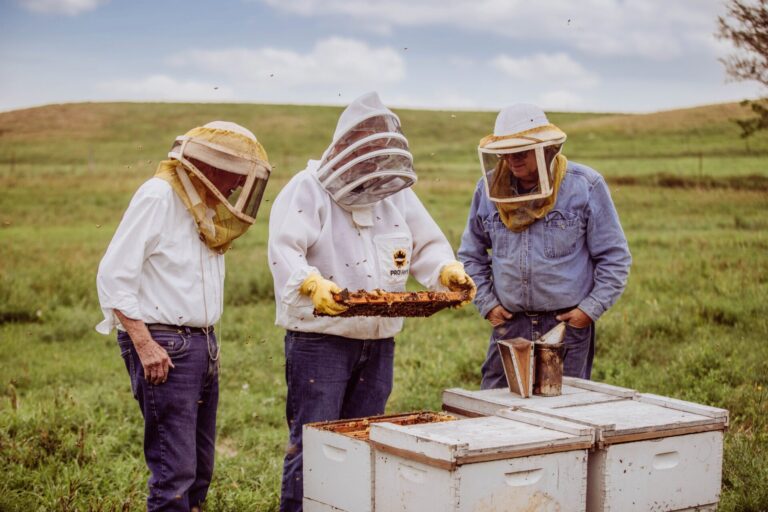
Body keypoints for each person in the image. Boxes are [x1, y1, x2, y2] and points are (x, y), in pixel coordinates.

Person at [268, 91, 476, 512]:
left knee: (365, 441)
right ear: (345, 147)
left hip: (378, 342)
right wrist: (310, 284)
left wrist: (445, 271)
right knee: (314, 442)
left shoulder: (393, 191)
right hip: (320, 342)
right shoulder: (307, 189)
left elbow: (425, 244)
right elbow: (284, 249)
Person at [96, 121, 272, 511]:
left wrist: (206, 344)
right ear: (210, 167)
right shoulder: (158, 196)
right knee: (174, 473)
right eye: (237, 175)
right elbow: (113, 275)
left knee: (200, 469)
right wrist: (145, 344)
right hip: (165, 343)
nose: (240, 186)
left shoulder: (203, 209)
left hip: (201, 344)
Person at [458, 103, 631, 389]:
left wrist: (589, 310)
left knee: (564, 415)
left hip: (566, 325)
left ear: (547, 149)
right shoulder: (487, 188)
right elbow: (470, 255)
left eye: (521, 152)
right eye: (505, 152)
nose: (512, 160)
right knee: (494, 410)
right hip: (509, 324)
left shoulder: (585, 185)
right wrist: (488, 305)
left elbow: (614, 257)